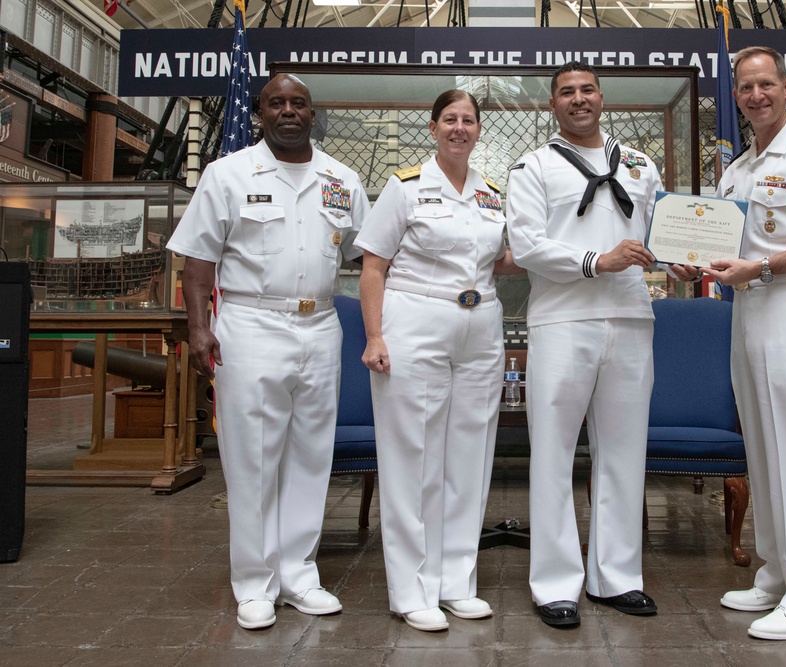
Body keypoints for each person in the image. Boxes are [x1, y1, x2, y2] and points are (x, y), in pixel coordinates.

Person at [166, 74, 370, 630]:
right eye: (276, 103)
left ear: (312, 113)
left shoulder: (342, 178)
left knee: (310, 454)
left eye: (297, 103)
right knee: (252, 457)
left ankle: (300, 573)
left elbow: (369, 256)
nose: (287, 111)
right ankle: (254, 583)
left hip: (322, 323)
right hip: (251, 324)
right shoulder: (227, 174)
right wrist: (198, 327)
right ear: (259, 113)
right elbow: (198, 260)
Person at [681, 46, 786, 640]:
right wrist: (691, 262)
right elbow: (724, 245)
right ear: (735, 96)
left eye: (766, 85)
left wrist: (763, 269)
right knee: (763, 449)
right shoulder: (738, 169)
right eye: (745, 88)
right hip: (747, 312)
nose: (756, 95)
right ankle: (777, 574)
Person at [355, 90, 522, 632]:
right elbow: (373, 268)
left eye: (468, 120)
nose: (459, 128)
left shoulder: (491, 194)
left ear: (479, 130)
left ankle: (456, 582)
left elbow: (506, 261)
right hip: (415, 323)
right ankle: (412, 589)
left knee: (470, 457)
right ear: (432, 127)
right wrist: (374, 336)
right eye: (449, 119)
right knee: (414, 457)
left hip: (480, 326)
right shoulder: (404, 187)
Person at [506, 61, 660, 627]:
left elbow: (657, 236)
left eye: (587, 89)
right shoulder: (533, 167)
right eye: (566, 92)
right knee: (552, 454)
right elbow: (525, 245)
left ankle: (616, 578)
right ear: (552, 105)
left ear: (602, 96)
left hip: (632, 317)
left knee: (624, 451)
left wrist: (684, 260)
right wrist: (595, 260)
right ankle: (554, 585)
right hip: (563, 321)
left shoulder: (641, 164)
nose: (578, 99)